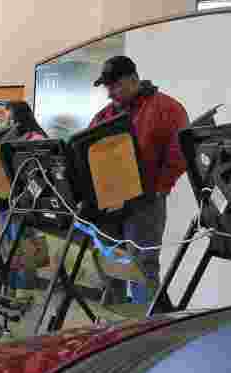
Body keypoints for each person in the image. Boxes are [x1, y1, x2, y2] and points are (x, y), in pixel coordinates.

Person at [89, 56, 188, 309]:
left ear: (134, 80)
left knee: (143, 267)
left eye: (115, 85)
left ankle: (148, 330)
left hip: (146, 204)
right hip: (109, 205)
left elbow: (181, 151)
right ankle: (112, 328)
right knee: (110, 264)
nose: (110, 92)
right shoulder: (105, 115)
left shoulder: (166, 108)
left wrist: (160, 187)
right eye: (107, 87)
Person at [0, 101, 48, 293]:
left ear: (21, 119)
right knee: (7, 249)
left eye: (11, 120)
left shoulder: (36, 138)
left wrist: (27, 198)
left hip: (26, 206)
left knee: (24, 249)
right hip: (9, 203)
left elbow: (43, 177)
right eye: (7, 120)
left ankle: (24, 291)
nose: (8, 124)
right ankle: (9, 289)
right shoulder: (11, 140)